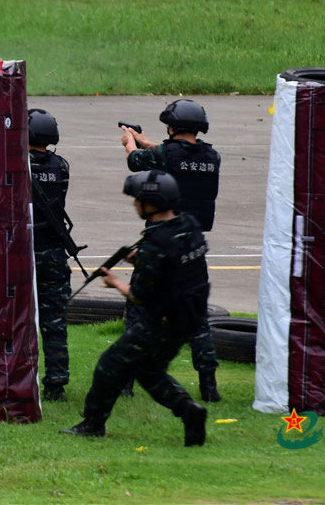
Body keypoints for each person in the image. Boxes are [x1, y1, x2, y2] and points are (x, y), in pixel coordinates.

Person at [61, 170, 209, 446]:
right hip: (188, 316)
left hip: (161, 320)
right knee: (148, 370)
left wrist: (115, 282)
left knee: (109, 365)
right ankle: (190, 411)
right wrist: (141, 261)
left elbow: (140, 296)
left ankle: (93, 424)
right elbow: (174, 268)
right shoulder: (188, 225)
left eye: (138, 199)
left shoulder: (155, 243)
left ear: (151, 203)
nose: (134, 204)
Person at [117, 99, 222, 402]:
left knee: (138, 308)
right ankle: (209, 385)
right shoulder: (211, 156)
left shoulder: (165, 155)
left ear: (172, 126)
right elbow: (174, 154)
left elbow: (136, 161)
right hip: (193, 242)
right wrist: (144, 139)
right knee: (197, 316)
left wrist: (129, 142)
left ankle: (124, 381)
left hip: (160, 240)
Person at [28, 108, 73, 402]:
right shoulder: (62, 166)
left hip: (22, 252)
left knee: (16, 320)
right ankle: (56, 384)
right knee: (55, 322)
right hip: (55, 252)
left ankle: (18, 377)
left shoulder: (16, 164)